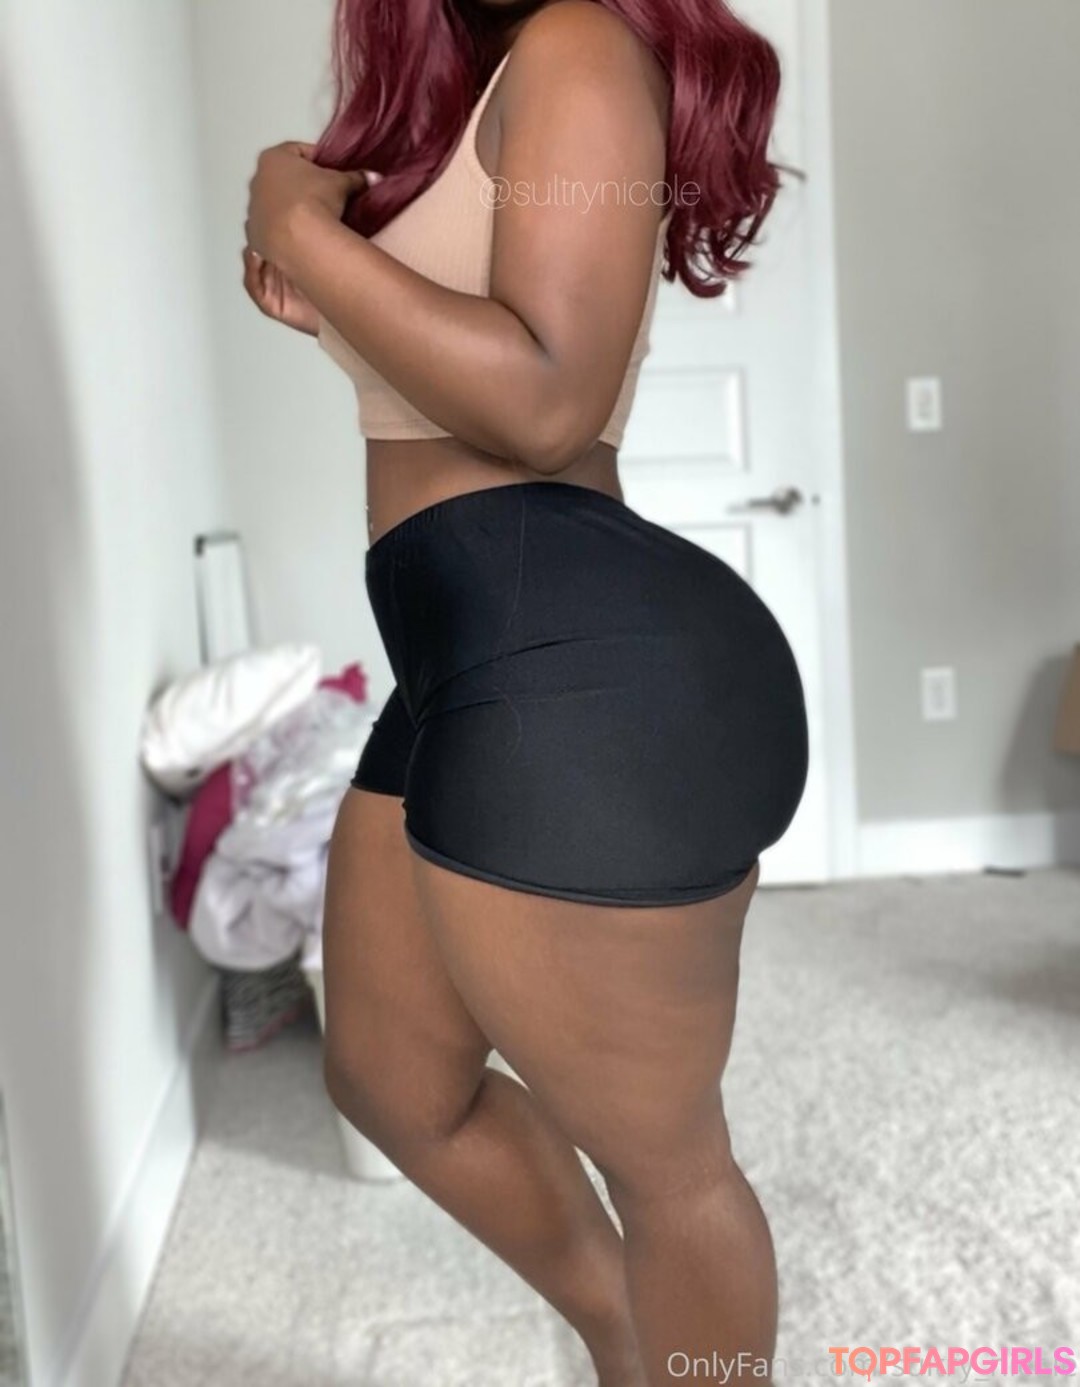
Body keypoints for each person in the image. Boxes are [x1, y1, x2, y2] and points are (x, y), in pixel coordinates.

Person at [242, 1, 808, 1381]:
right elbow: (459, 357)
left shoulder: (575, 45)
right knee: (391, 1077)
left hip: (576, 662)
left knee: (668, 1168)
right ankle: (626, 1343)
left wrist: (302, 226)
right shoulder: (483, 84)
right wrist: (332, 276)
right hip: (466, 655)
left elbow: (549, 401)